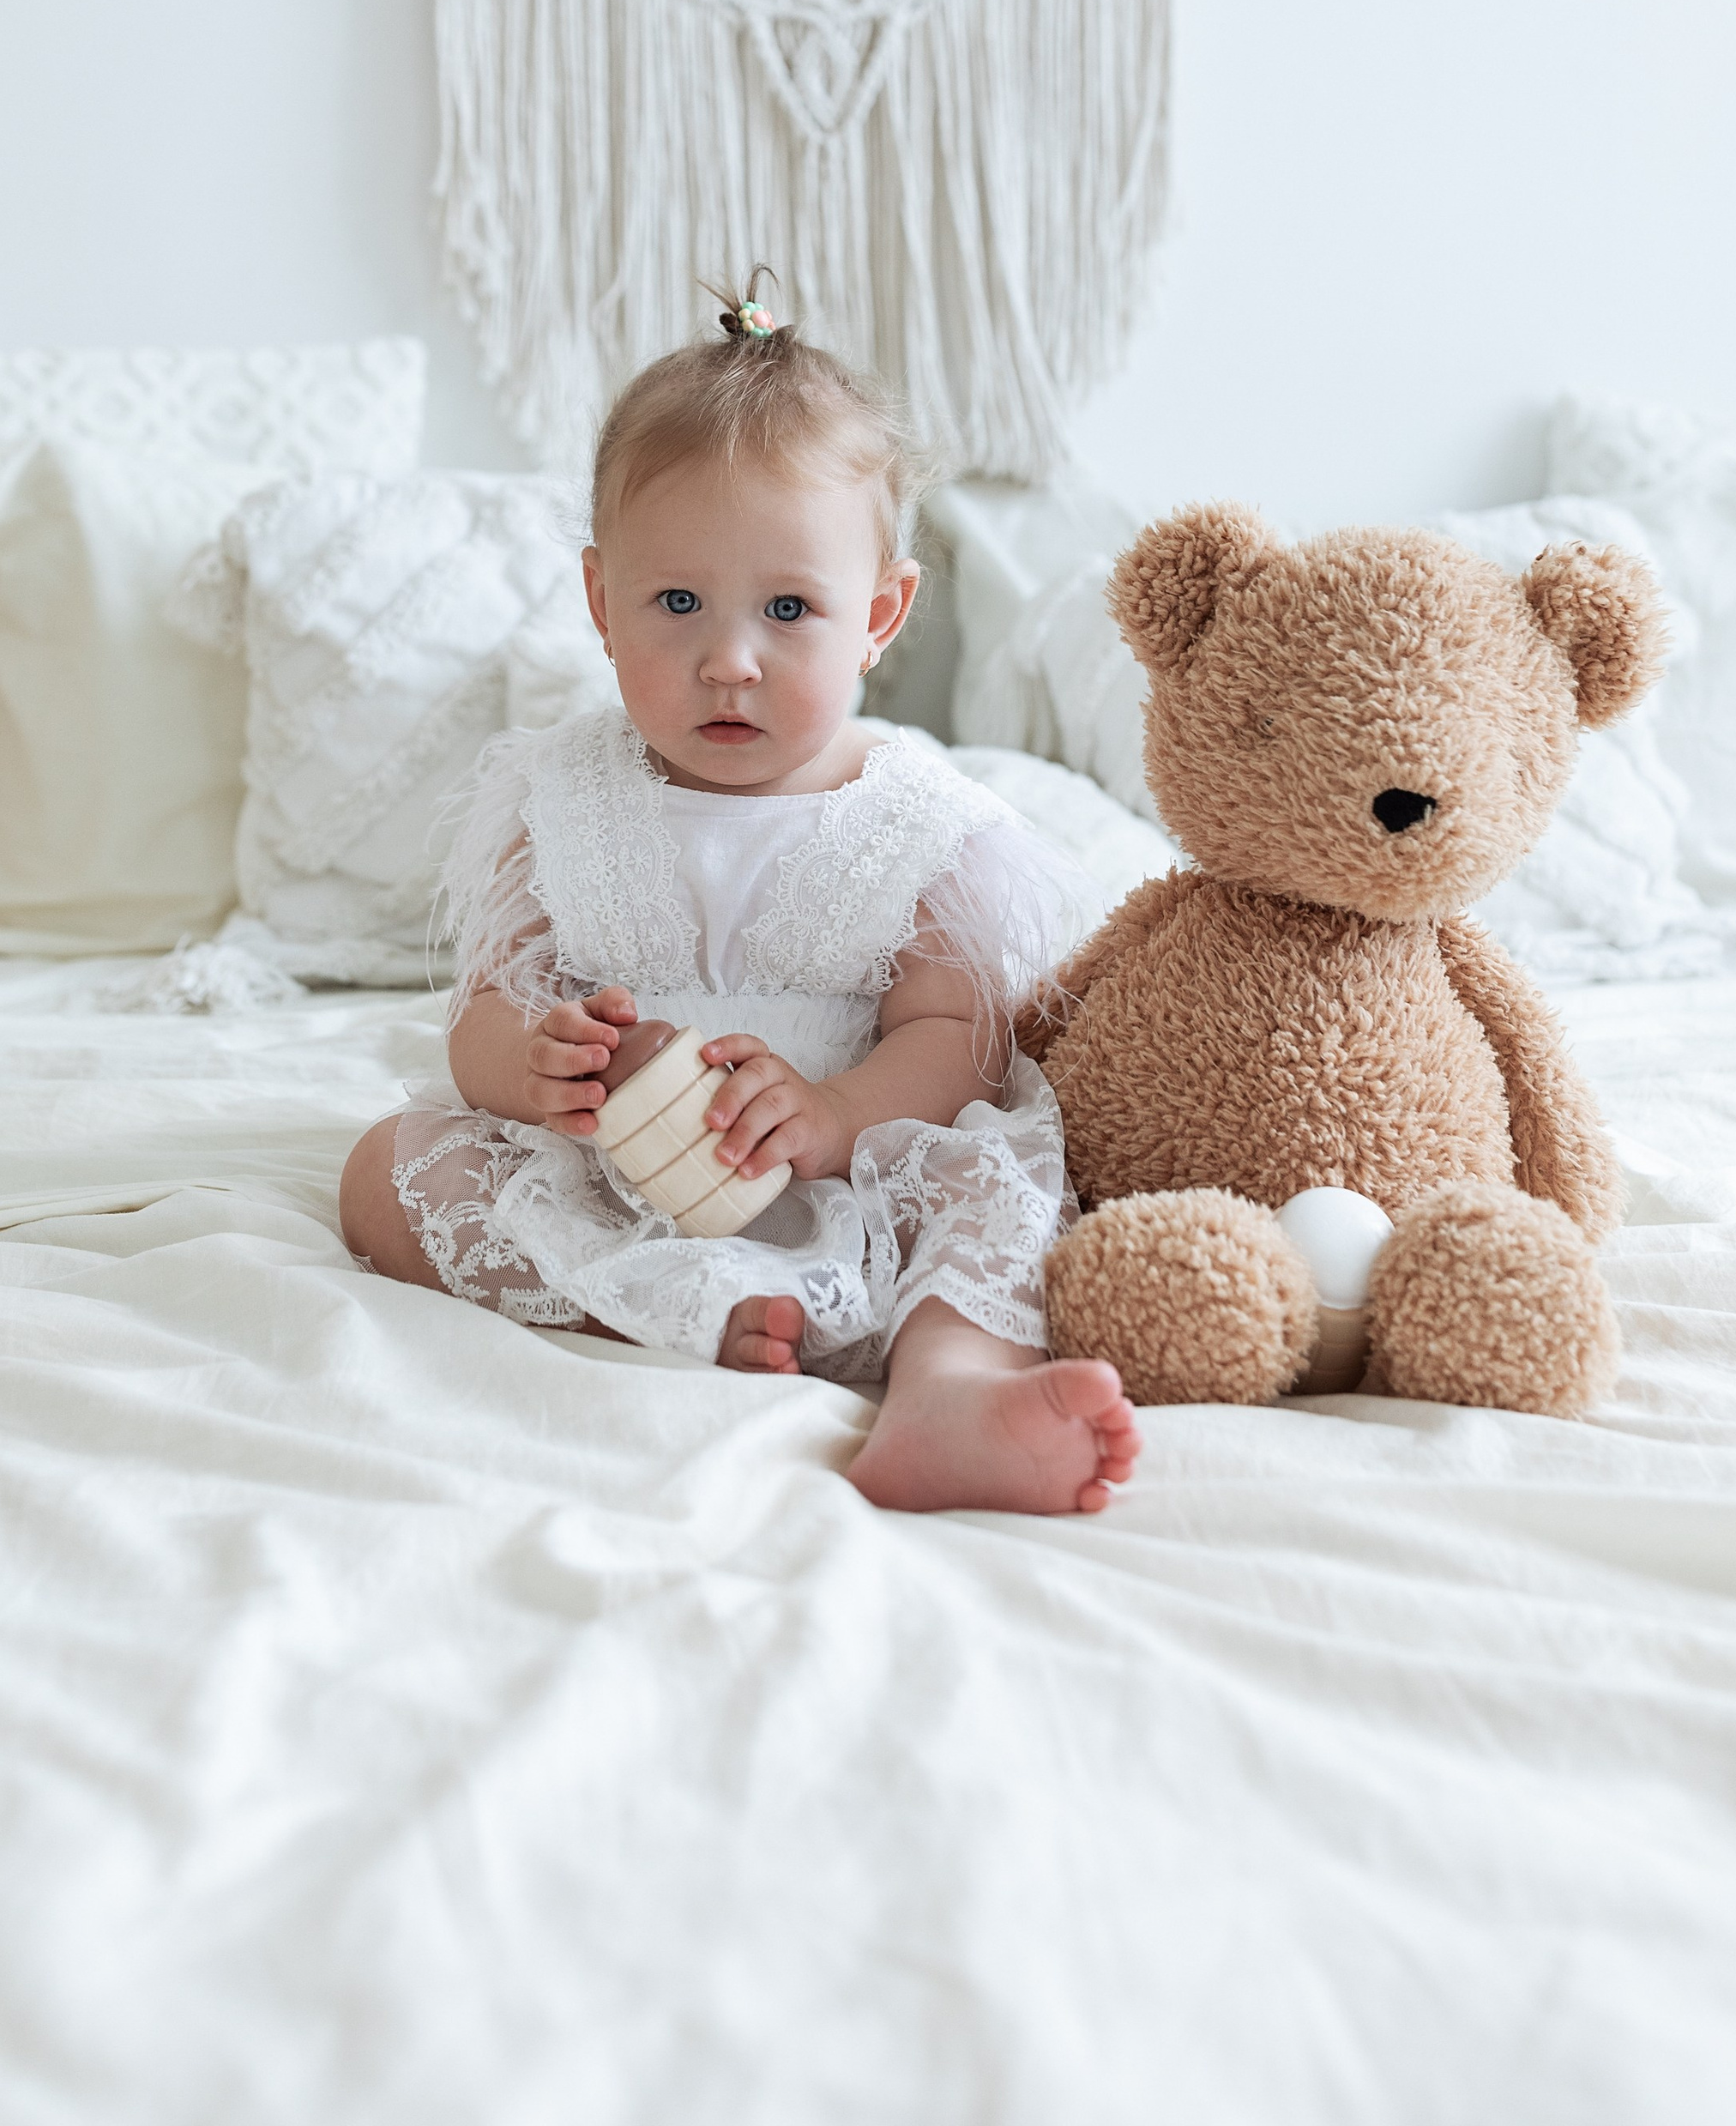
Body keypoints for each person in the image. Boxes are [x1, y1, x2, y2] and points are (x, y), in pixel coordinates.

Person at [338, 281, 1140, 1516]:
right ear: (602, 604)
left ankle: (948, 1391)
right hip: (611, 1180)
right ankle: (665, 1312)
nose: (729, 659)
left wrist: (833, 1113)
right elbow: (484, 1011)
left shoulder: (922, 825)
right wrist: (535, 1068)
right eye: (677, 605)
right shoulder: (558, 797)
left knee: (997, 1186)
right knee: (387, 1172)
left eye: (788, 609)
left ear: (879, 615)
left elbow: (961, 1045)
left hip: (851, 1171)